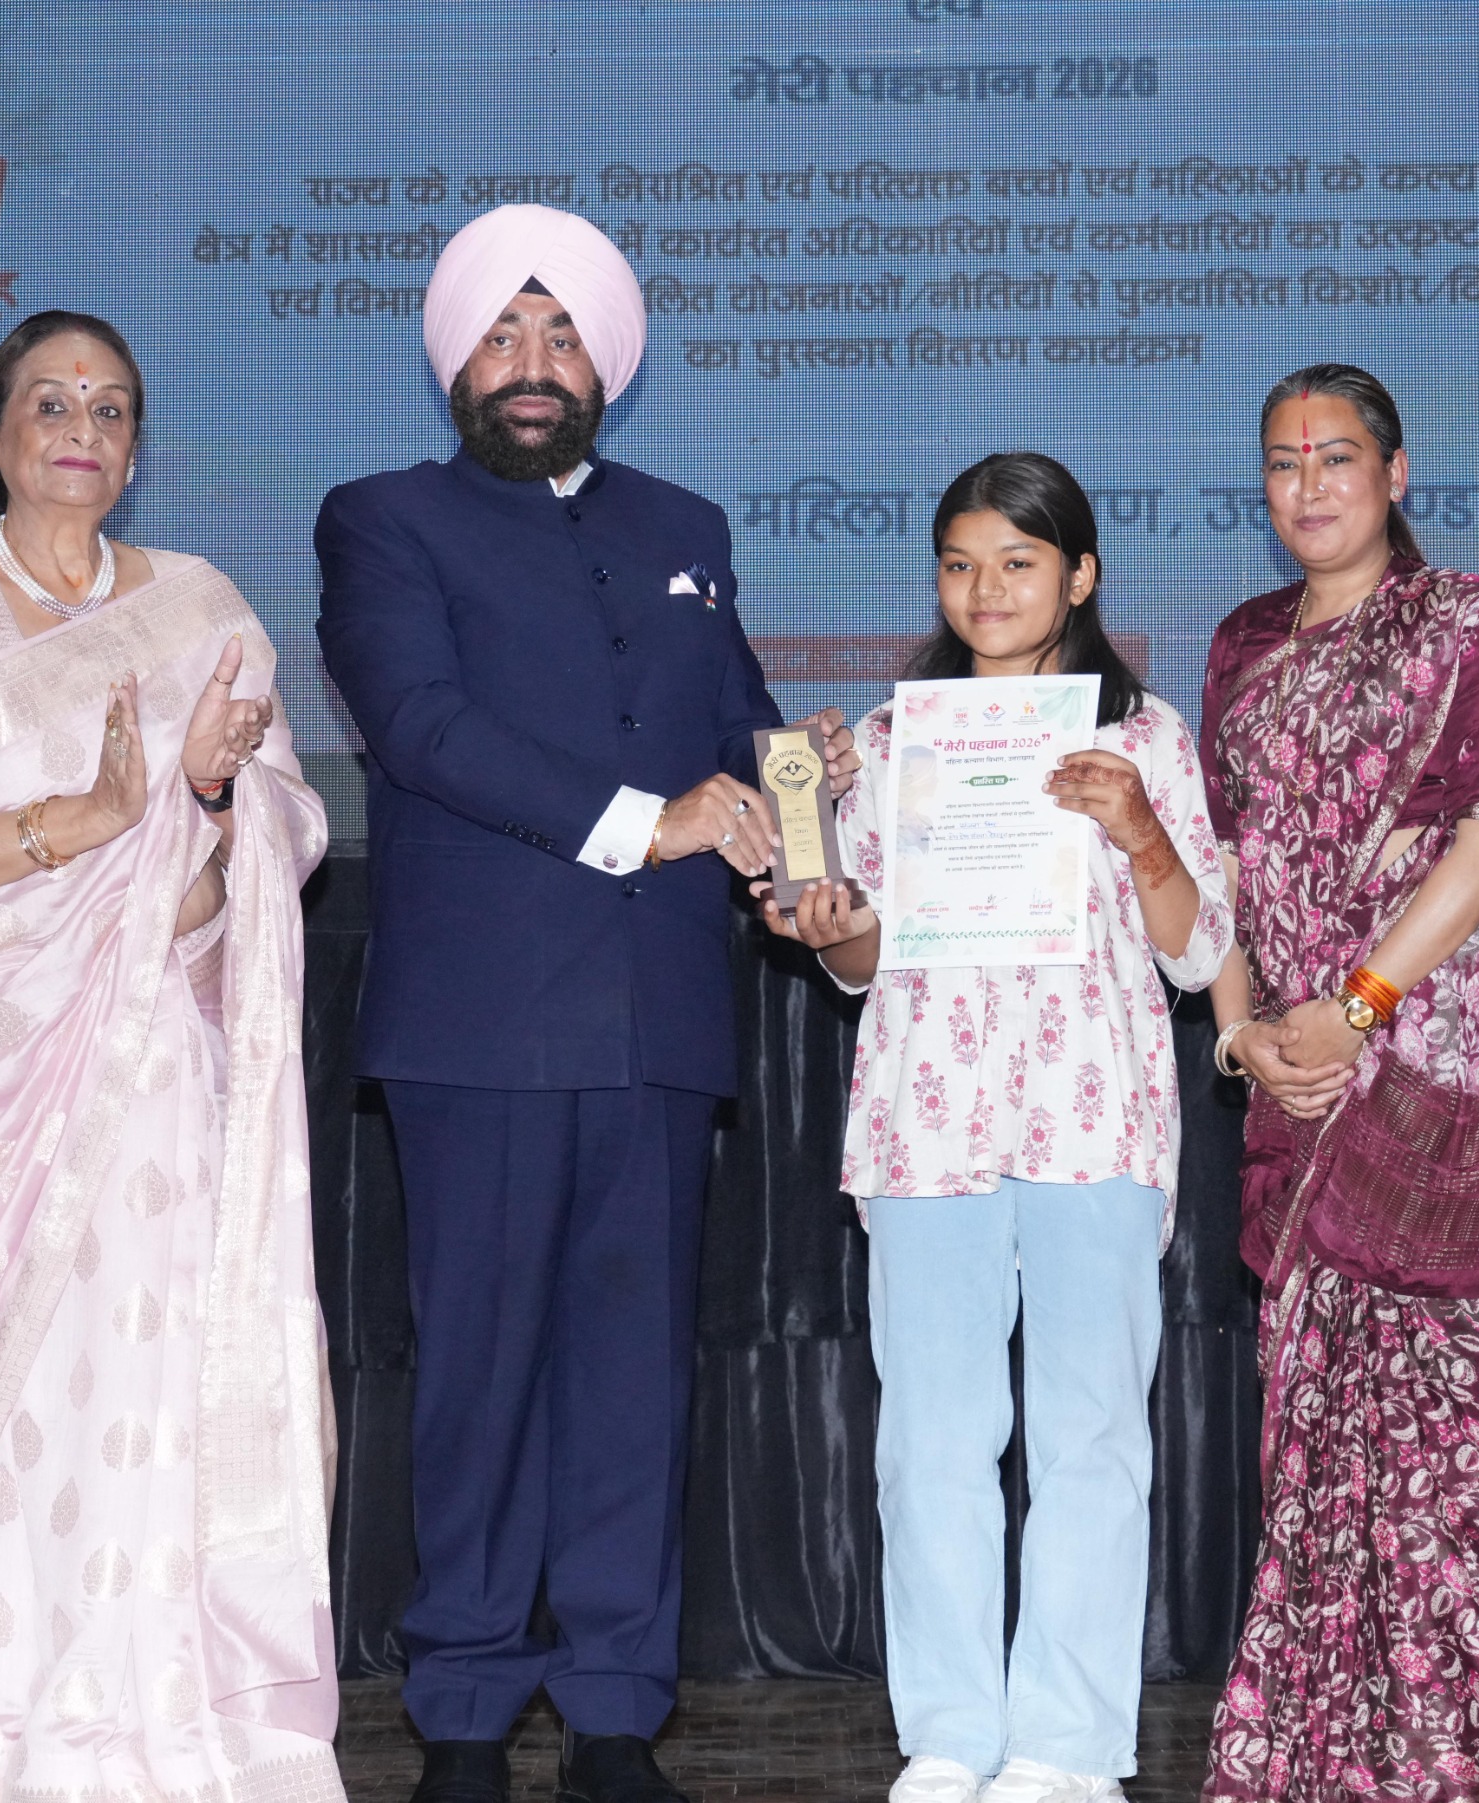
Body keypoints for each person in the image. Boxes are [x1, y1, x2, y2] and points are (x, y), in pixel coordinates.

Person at [313, 204, 856, 1803]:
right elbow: (419, 724)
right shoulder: (383, 520)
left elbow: (742, 733)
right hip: (482, 1020)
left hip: (659, 1019)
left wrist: (811, 812)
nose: (534, 364)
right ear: (457, 363)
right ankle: (465, 1720)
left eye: (562, 336)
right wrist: (651, 822)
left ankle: (618, 1716)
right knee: (479, 1374)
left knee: (633, 1382)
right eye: (504, 334)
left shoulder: (686, 523)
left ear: (606, 363)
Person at [0, 309, 340, 1800]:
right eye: (50, 403)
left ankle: (182, 1736)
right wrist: (91, 821)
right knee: (15, 1417)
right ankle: (20, 1743)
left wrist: (204, 807)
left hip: (158, 1071)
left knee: (166, 1389)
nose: (81, 428)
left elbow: (277, 844)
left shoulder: (201, 611)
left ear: (135, 449)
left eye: (111, 408)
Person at [761, 452, 1232, 1803]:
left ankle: (1067, 1751)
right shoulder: (891, 744)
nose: (986, 590)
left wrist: (1141, 834)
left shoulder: (1145, 740)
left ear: (1079, 577)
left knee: (1090, 1437)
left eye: (1018, 563)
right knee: (930, 1442)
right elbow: (858, 960)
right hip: (929, 1122)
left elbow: (1201, 954)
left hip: (1094, 1120)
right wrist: (833, 925)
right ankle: (952, 1735)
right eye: (961, 565)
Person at [1196, 364, 1479, 1803]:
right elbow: (1228, 869)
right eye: (1282, 462)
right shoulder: (1246, 643)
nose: (1307, 484)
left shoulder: (1463, 622)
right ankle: (1305, 1763)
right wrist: (1250, 1032)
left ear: (1394, 474)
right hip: (1300, 1094)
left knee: (1440, 1474)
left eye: (1336, 457)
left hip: (1440, 1098)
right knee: (1314, 1470)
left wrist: (1356, 1008)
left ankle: (1441, 1764)